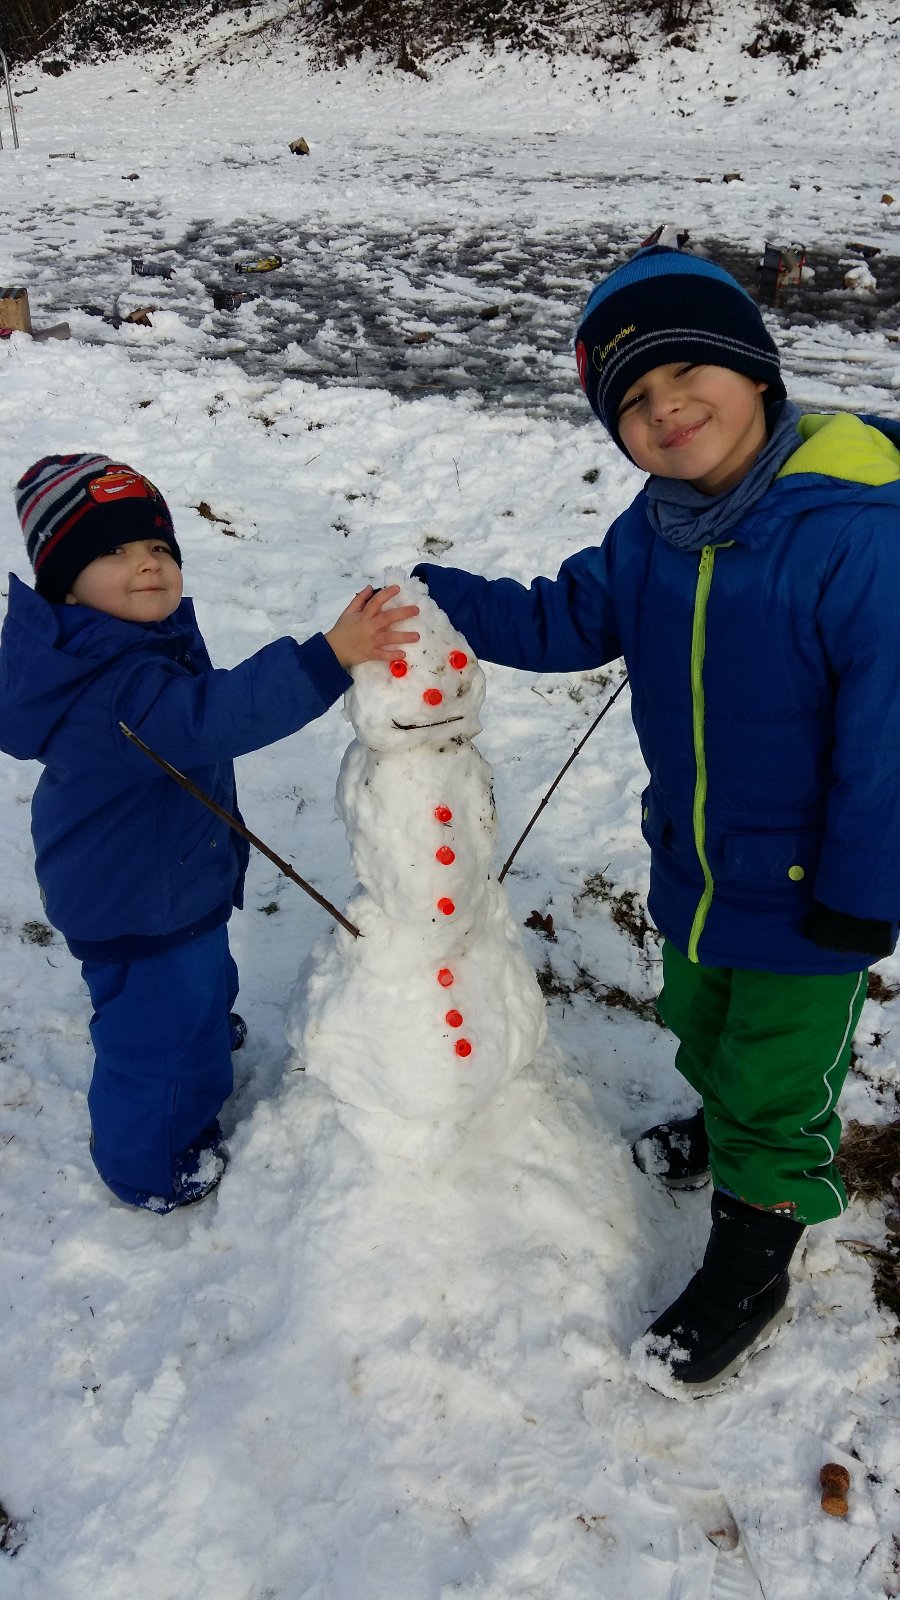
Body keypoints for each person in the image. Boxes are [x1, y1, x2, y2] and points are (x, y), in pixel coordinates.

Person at [412, 245, 900, 1391]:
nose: (665, 406)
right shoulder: (653, 530)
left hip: (815, 894)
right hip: (696, 866)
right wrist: (445, 598)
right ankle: (726, 1124)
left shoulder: (856, 533)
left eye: (687, 371)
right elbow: (569, 617)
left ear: (757, 371)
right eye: (631, 399)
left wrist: (862, 892)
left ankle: (758, 1242)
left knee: (778, 1074)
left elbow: (890, 738)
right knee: (699, 1016)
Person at [0, 453, 418, 1214]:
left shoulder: (117, 644)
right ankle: (153, 1164)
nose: (147, 564)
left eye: (159, 546)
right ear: (65, 584)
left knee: (195, 983)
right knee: (156, 1042)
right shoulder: (113, 683)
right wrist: (328, 657)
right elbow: (215, 716)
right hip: (139, 900)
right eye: (113, 551)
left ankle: (198, 1032)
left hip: (163, 877)